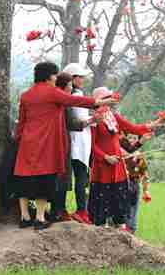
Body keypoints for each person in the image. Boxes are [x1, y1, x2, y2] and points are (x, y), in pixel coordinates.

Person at [12, 61, 109, 231]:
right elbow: (74, 100)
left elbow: (21, 122)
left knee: (25, 178)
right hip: (46, 142)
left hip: (27, 142)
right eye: (55, 75)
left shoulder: (26, 95)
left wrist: (18, 139)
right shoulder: (52, 92)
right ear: (50, 76)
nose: (56, 78)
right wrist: (98, 102)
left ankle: (25, 216)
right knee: (44, 178)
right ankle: (40, 218)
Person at [87, 86, 164, 230]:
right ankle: (100, 229)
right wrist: (106, 157)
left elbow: (133, 128)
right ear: (101, 101)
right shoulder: (94, 119)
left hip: (118, 167)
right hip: (103, 167)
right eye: (108, 98)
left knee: (120, 202)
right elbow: (91, 145)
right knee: (102, 205)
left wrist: (154, 124)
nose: (112, 101)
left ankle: (120, 229)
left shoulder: (113, 116)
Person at [49, 72, 90, 223]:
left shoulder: (61, 100)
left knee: (63, 176)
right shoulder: (64, 102)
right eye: (70, 85)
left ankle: (60, 209)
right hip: (63, 141)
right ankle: (58, 210)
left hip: (63, 141)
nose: (71, 88)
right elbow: (73, 123)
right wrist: (91, 119)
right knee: (62, 177)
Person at [62, 62, 95, 224]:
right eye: (80, 77)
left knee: (82, 176)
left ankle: (82, 209)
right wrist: (94, 119)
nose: (83, 79)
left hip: (81, 140)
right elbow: (79, 120)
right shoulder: (75, 96)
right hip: (77, 141)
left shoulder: (77, 94)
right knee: (81, 176)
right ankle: (82, 210)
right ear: (73, 78)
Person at [120, 131, 152, 233]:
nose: (132, 141)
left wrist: (146, 190)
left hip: (134, 186)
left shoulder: (141, 157)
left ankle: (131, 232)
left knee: (133, 212)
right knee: (120, 211)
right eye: (130, 138)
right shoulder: (120, 153)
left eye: (134, 139)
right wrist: (130, 157)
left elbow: (144, 175)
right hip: (121, 185)